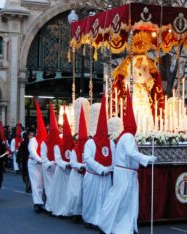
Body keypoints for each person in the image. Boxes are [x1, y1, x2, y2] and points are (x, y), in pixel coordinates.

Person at [99, 91, 157, 234]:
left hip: (124, 172)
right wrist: (147, 158)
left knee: (121, 199)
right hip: (125, 174)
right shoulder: (129, 136)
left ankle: (119, 225)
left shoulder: (123, 136)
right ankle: (116, 226)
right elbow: (131, 153)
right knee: (123, 200)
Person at [83, 97, 114, 227]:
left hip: (106, 177)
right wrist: (101, 168)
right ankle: (90, 219)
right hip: (93, 176)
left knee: (105, 199)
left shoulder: (111, 142)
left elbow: (114, 157)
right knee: (92, 199)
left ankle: (102, 221)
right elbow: (88, 159)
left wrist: (110, 169)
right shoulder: (90, 142)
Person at [51, 112, 73, 217]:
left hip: (71, 174)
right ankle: (59, 209)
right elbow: (58, 160)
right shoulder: (57, 147)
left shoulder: (74, 146)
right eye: (66, 136)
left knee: (69, 192)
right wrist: (66, 164)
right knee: (61, 192)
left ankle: (69, 210)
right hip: (61, 172)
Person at [67, 106, 87, 221]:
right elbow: (73, 162)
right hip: (76, 175)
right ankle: (75, 213)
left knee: (84, 195)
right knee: (76, 195)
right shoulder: (75, 150)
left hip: (86, 175)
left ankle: (82, 213)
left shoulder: (89, 148)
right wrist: (81, 166)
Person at [40, 102, 60, 213]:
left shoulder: (60, 142)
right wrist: (50, 163)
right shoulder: (44, 143)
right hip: (48, 169)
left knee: (57, 188)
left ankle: (56, 207)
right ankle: (49, 206)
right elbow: (43, 157)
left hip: (57, 169)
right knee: (49, 188)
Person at [28, 100, 47, 213]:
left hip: (43, 164)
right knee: (36, 184)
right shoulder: (33, 140)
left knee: (43, 184)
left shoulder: (45, 140)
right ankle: (37, 203)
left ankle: (43, 202)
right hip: (34, 164)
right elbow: (33, 152)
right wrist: (40, 160)